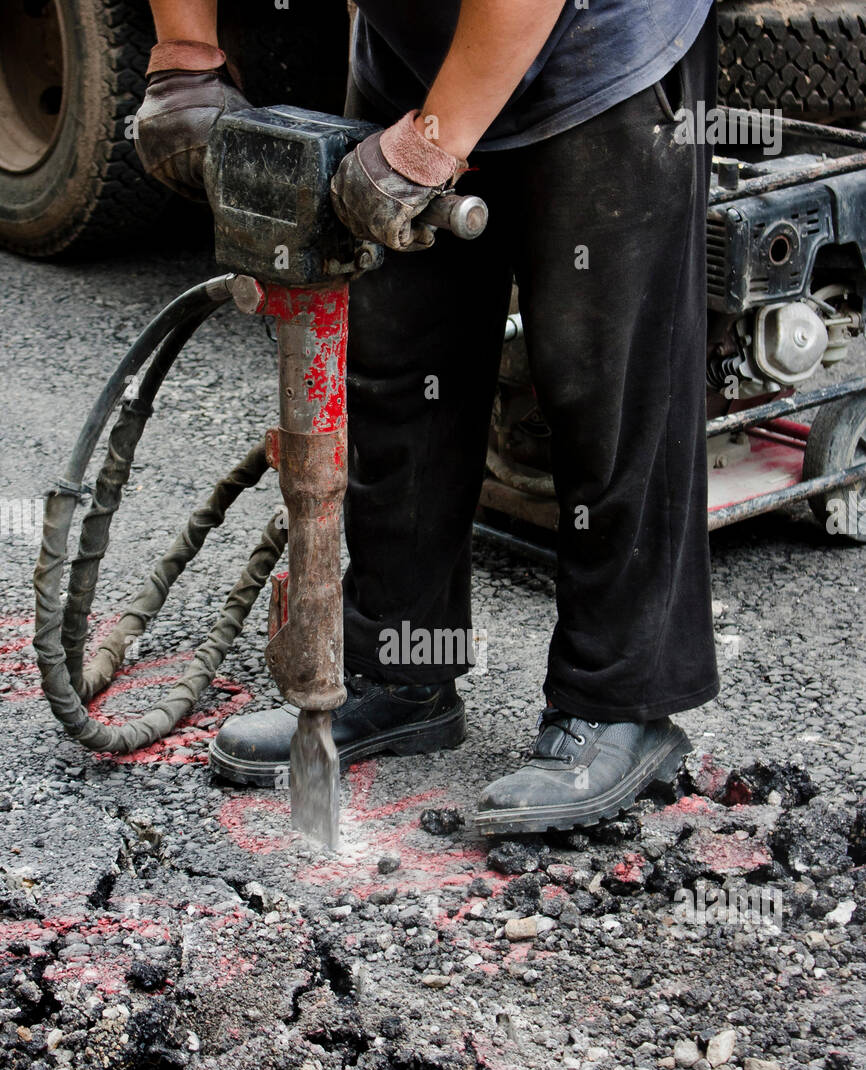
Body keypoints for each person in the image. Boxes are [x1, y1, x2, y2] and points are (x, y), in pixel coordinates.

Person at [136, 0, 720, 835]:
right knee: (405, 365)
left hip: (601, 53)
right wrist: (184, 58)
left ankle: (620, 701)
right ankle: (404, 672)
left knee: (605, 383)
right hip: (416, 45)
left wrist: (427, 147)